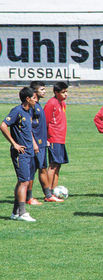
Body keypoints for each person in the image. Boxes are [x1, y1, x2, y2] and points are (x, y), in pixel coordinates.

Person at [1, 87, 38, 221]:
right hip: (20, 153)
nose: (36, 100)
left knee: (24, 181)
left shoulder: (30, 112)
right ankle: (22, 213)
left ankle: (15, 212)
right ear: (27, 99)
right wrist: (14, 144)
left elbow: (28, 130)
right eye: (34, 98)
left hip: (29, 151)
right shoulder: (17, 111)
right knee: (24, 181)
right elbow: (3, 125)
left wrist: (34, 144)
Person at [29, 81, 63, 204]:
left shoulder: (38, 105)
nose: (44, 91)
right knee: (31, 171)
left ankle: (48, 195)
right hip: (35, 144)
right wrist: (33, 143)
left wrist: (46, 140)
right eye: (42, 89)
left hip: (42, 143)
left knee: (43, 169)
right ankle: (29, 197)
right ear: (35, 91)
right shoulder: (31, 107)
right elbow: (29, 127)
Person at [44, 82, 69, 194]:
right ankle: (48, 191)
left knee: (58, 165)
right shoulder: (51, 104)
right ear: (56, 92)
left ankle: (54, 190)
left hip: (61, 139)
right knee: (53, 165)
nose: (66, 94)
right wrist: (46, 139)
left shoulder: (62, 103)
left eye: (66, 92)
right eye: (63, 92)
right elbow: (45, 122)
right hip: (53, 138)